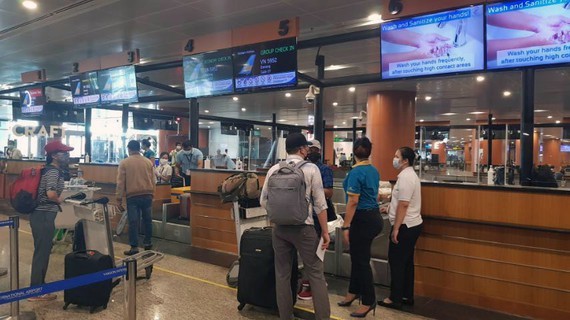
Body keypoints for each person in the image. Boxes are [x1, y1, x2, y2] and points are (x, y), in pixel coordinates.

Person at [260, 133, 331, 320]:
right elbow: (320, 204)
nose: (308, 150)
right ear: (301, 149)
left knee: (282, 274)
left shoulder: (274, 169)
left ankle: (286, 316)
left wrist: (280, 214)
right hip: (304, 229)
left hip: (280, 229)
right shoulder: (311, 169)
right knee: (315, 274)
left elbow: (263, 200)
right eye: (306, 147)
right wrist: (325, 232)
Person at [338, 137, 383, 317]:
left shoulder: (355, 173)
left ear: (354, 151)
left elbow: (353, 202)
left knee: (361, 261)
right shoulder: (373, 170)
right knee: (357, 257)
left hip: (362, 219)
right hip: (374, 217)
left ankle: (368, 300)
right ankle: (353, 291)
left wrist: (346, 226)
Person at [28, 140, 73, 301]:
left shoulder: (48, 170)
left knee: (43, 251)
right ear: (54, 155)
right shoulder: (53, 171)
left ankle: (40, 285)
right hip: (44, 215)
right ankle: (35, 291)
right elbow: (51, 194)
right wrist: (62, 200)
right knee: (42, 252)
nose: (67, 155)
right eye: (64, 152)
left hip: (40, 215)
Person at [378, 146, 423, 310]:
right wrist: (390, 207)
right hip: (412, 224)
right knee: (406, 263)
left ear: (405, 160)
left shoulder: (405, 178)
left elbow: (404, 205)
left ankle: (394, 298)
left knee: (397, 262)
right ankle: (406, 295)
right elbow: (402, 202)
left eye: (396, 156)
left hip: (405, 226)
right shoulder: (409, 175)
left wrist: (396, 229)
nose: (394, 158)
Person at [297, 139, 334, 301]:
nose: (310, 151)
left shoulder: (324, 169)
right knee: (307, 252)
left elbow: (328, 192)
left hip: (318, 218)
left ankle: (315, 284)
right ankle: (309, 281)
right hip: (303, 216)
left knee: (316, 253)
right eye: (308, 148)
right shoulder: (301, 168)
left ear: (319, 151)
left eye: (314, 149)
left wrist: (312, 191)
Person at [116, 140, 156, 256]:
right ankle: (148, 243)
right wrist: (153, 193)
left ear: (129, 149)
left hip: (132, 196)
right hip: (147, 194)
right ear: (139, 149)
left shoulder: (124, 163)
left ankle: (134, 247)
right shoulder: (148, 162)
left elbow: (120, 182)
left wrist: (118, 198)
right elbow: (153, 179)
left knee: (133, 221)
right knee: (147, 220)